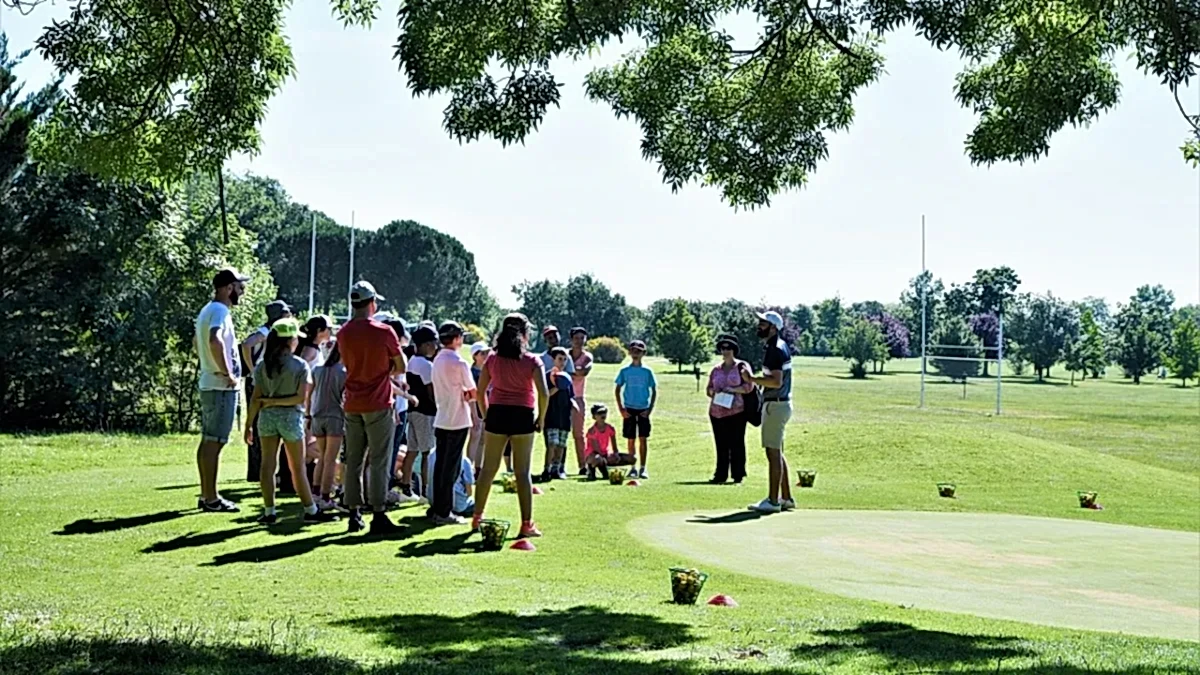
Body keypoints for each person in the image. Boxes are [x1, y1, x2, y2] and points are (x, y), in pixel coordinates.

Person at [243, 318, 339, 524]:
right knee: (297, 468)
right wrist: (275, 402)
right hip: (290, 418)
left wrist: (248, 424)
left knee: (267, 466)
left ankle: (269, 512)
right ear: (291, 340)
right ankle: (310, 510)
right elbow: (299, 398)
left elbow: (255, 399)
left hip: (267, 419)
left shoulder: (262, 366)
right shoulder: (300, 366)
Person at [337, 280, 407, 535]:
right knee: (378, 459)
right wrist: (385, 370)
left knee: (353, 459)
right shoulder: (384, 331)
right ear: (371, 303)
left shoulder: (343, 332)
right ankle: (378, 513)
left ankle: (354, 514)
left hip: (353, 402)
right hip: (378, 402)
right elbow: (401, 366)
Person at [473, 313, 551, 538]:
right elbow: (543, 394)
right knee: (522, 472)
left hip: (497, 413)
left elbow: (480, 393)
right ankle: (526, 524)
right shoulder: (532, 361)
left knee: (488, 469)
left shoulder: (492, 360)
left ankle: (477, 518)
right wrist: (541, 418)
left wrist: (487, 415)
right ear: (525, 334)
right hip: (522, 415)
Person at [194, 267, 250, 513]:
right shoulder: (219, 311)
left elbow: (197, 341)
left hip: (210, 382)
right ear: (228, 288)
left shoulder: (207, 310)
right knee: (215, 442)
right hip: (219, 386)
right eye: (239, 286)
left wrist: (208, 365)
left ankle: (207, 494)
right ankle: (211, 498)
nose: (242, 290)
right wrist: (227, 373)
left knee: (208, 441)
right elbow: (214, 339)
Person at [429, 321, 477, 524]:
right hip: (458, 419)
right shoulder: (460, 363)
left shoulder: (437, 360)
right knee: (452, 468)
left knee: (441, 466)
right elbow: (473, 392)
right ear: (456, 339)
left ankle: (437, 507)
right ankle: (444, 511)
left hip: (442, 418)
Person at [747, 311, 795, 514]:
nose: (759, 326)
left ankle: (773, 501)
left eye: (763, 323)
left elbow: (776, 381)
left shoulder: (775, 349)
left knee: (772, 452)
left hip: (775, 405)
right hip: (779, 404)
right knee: (777, 452)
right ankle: (786, 498)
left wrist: (751, 379)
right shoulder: (777, 346)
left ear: (773, 327)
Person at [240, 300, 291, 482]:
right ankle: (257, 471)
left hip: (264, 378)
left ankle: (260, 471)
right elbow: (247, 344)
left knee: (263, 425)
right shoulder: (266, 331)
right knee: (258, 424)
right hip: (259, 380)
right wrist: (253, 369)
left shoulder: (272, 331)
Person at [707, 334, 754, 484]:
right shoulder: (716, 369)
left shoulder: (741, 366)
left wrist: (732, 389)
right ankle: (720, 475)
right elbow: (708, 389)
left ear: (734, 350)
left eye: (728, 348)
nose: (725, 351)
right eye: (723, 348)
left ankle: (738, 474)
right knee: (720, 444)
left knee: (736, 443)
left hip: (736, 412)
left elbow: (749, 387)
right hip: (717, 412)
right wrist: (713, 392)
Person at [401, 325, 438, 501]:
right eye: (432, 343)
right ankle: (425, 490)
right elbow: (432, 392)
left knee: (412, 449)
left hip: (413, 411)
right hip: (426, 412)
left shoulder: (411, 361)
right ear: (424, 344)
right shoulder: (426, 365)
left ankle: (406, 486)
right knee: (427, 452)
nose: (435, 347)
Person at [310, 341, 347, 510]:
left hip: (317, 416)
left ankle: (316, 493)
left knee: (322, 457)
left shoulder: (317, 370)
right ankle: (325, 496)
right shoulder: (344, 373)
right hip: (334, 417)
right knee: (331, 459)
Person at [615, 340, 657, 479]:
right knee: (631, 439)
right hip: (629, 408)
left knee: (643, 439)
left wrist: (649, 409)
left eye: (639, 351)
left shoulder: (647, 372)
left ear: (643, 353)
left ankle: (643, 468)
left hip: (643, 409)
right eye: (633, 350)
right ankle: (632, 467)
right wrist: (621, 408)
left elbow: (654, 390)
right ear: (629, 352)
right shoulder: (625, 371)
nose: (635, 353)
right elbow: (617, 388)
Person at [539, 346, 575, 482]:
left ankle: (557, 468)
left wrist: (574, 405)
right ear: (553, 360)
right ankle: (546, 469)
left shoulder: (567, 378)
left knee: (561, 444)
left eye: (565, 359)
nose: (563, 362)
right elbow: (545, 394)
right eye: (560, 359)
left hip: (564, 416)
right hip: (552, 415)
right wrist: (557, 386)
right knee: (551, 444)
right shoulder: (548, 376)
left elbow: (571, 395)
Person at [584, 404, 634, 480]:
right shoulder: (592, 431)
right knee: (598, 459)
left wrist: (616, 455)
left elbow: (614, 446)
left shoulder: (610, 428)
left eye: (604, 412)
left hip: (605, 454)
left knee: (632, 458)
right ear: (594, 416)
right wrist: (604, 458)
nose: (603, 415)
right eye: (599, 413)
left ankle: (605, 469)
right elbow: (596, 449)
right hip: (593, 455)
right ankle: (592, 469)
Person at [417, 451, 475, 516]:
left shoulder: (431, 455)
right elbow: (469, 492)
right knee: (474, 503)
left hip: (432, 500)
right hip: (456, 505)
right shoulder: (464, 461)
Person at [568, 327, 593, 476]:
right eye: (576, 338)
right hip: (563, 397)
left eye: (582, 338)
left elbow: (583, 372)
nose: (579, 341)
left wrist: (571, 371)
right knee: (560, 433)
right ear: (571, 340)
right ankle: (556, 465)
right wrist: (575, 370)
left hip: (578, 398)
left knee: (578, 433)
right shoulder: (565, 354)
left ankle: (582, 466)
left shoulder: (587, 356)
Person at [467, 341, 491, 470]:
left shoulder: (488, 371)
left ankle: (478, 468)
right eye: (483, 353)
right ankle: (469, 468)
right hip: (475, 410)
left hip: (485, 410)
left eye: (487, 353)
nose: (486, 355)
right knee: (475, 438)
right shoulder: (472, 373)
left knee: (482, 440)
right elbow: (471, 396)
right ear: (475, 356)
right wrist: (474, 415)